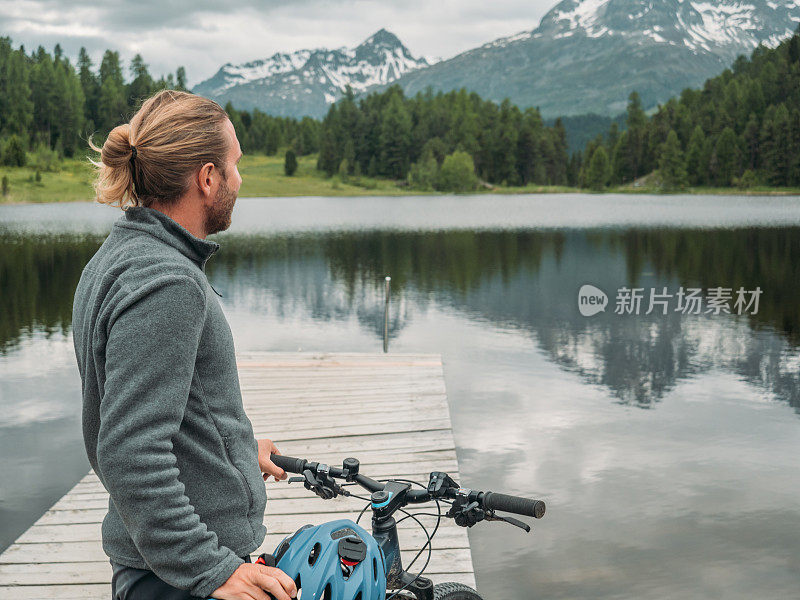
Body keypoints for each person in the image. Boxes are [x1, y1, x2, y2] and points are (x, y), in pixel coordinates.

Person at [72, 89, 297, 600]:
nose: (240, 180)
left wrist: (233, 452)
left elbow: (146, 410)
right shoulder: (167, 283)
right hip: (178, 577)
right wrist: (212, 570)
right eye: (235, 165)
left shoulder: (119, 255)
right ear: (208, 177)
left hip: (157, 566)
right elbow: (131, 450)